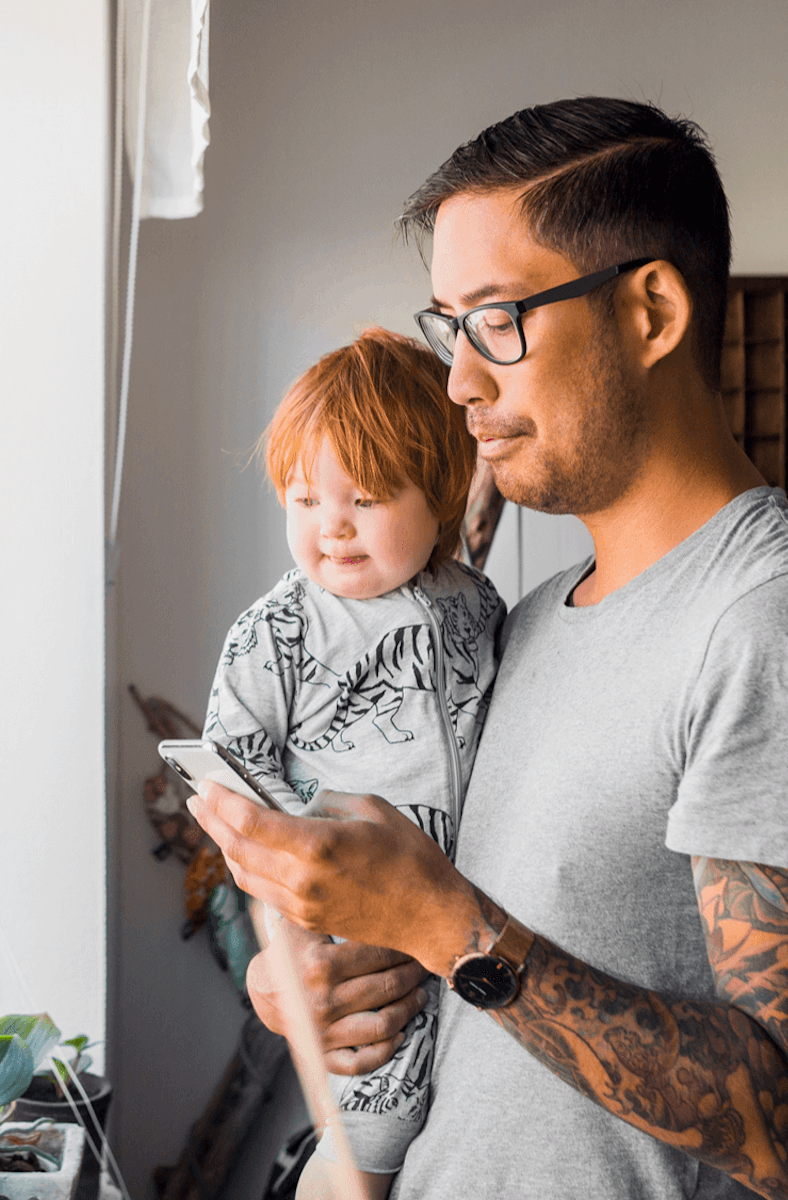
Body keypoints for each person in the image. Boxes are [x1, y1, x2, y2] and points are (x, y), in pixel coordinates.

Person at [191, 97, 788, 1199]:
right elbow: (484, 984)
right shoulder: (524, 623)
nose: (460, 381)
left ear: (651, 311)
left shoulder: (779, 635)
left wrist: (447, 926)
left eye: (498, 320)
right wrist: (325, 982)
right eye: (449, 327)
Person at [201, 327, 504, 1199]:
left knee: (465, 1111)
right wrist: (297, 910)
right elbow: (230, 768)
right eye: (304, 498)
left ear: (441, 497)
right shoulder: (280, 629)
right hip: (352, 915)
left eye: (365, 497)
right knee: (371, 1124)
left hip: (468, 909)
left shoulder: (478, 606)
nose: (330, 525)